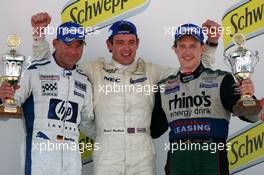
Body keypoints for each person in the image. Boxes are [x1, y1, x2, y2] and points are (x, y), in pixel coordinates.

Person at [31, 12, 221, 175]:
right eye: (120, 42)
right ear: (109, 45)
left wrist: (211, 44)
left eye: (131, 42)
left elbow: (194, 73)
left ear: (137, 43)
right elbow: (54, 67)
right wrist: (39, 38)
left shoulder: (152, 70)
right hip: (107, 149)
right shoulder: (94, 69)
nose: (126, 48)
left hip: (142, 149)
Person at [151, 23, 260, 175]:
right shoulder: (164, 87)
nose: (187, 51)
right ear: (175, 49)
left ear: (202, 48)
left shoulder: (222, 79)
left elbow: (250, 116)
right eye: (182, 46)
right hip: (178, 159)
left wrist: (247, 96)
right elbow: (154, 130)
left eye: (193, 46)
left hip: (212, 157)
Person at [0, 21, 95, 175]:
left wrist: (111, 135)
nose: (73, 51)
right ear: (55, 43)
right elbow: (10, 100)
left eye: (79, 45)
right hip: (40, 157)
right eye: (68, 45)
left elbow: (87, 122)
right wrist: (3, 95)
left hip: (72, 160)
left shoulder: (84, 81)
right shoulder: (35, 71)